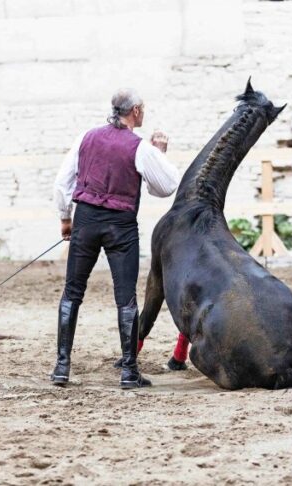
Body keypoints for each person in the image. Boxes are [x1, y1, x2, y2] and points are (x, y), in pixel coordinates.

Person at [51, 88, 181, 389]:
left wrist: (65, 218)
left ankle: (61, 366)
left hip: (85, 220)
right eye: (143, 108)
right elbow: (165, 186)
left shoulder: (86, 137)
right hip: (120, 226)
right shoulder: (140, 148)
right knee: (125, 297)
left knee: (72, 291)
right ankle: (128, 371)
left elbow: (62, 183)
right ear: (135, 111)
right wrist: (160, 153)